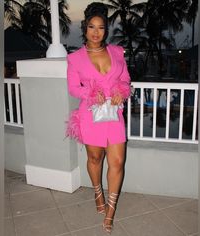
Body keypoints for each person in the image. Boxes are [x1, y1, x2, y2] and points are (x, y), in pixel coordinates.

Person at [66, 2, 131, 234]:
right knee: (95, 159)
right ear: (85, 28)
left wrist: (119, 91)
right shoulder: (74, 58)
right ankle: (97, 192)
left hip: (114, 114)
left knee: (117, 162)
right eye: (91, 27)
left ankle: (111, 211)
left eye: (101, 28)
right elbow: (73, 88)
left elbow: (125, 79)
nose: (96, 32)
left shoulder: (117, 52)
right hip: (90, 115)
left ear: (106, 30)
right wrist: (91, 92)